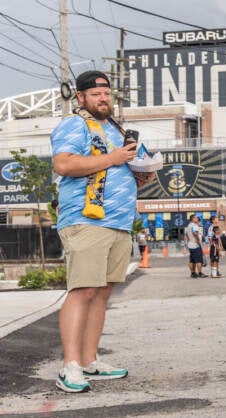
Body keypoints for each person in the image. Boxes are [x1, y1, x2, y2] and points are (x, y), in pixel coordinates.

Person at [50, 70, 155, 393]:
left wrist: (142, 173)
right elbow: (64, 164)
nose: (103, 99)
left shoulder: (117, 129)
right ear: (80, 97)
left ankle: (89, 360)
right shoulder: (75, 125)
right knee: (82, 290)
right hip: (87, 220)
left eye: (107, 94)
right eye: (96, 95)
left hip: (120, 222)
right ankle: (69, 366)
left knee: (103, 291)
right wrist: (113, 158)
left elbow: (125, 164)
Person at [186, 214, 207, 278]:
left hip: (190, 244)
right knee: (199, 260)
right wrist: (198, 240)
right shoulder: (194, 225)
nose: (197, 219)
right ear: (193, 219)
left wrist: (190, 240)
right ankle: (200, 273)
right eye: (196, 218)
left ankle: (193, 273)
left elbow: (186, 235)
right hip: (196, 245)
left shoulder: (189, 226)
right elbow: (195, 233)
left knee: (191, 260)